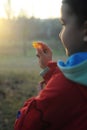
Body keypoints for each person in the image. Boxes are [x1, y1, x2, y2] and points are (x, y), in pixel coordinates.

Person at [14, 0, 87, 129]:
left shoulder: (63, 88)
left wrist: (40, 97)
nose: (60, 34)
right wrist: (49, 67)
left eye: (64, 24)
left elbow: (24, 125)